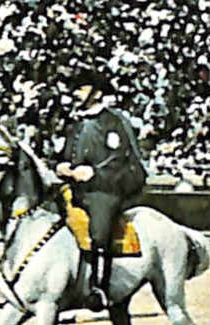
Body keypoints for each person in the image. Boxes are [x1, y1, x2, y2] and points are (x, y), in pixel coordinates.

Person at [55, 68, 147, 311]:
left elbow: (121, 159)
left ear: (96, 93)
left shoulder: (113, 122)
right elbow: (67, 153)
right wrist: (63, 165)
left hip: (106, 188)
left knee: (99, 229)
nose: (76, 94)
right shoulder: (76, 121)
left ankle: (99, 288)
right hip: (75, 186)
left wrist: (95, 173)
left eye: (82, 89)